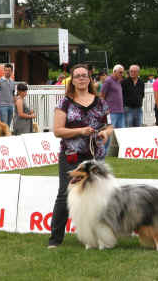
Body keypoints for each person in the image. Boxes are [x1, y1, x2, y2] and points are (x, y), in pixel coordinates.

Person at [48, 64, 113, 249]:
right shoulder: (65, 103)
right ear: (72, 80)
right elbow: (57, 131)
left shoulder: (101, 102)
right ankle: (55, 239)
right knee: (64, 195)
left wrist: (106, 134)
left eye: (85, 75)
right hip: (72, 156)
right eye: (77, 76)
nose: (82, 79)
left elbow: (109, 126)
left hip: (95, 157)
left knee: (97, 197)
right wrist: (81, 131)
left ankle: (97, 238)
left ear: (90, 79)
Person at [100, 64, 125, 155]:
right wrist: (104, 110)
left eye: (122, 72)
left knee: (121, 133)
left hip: (120, 111)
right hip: (111, 112)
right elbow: (102, 96)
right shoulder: (108, 81)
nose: (122, 74)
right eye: (120, 72)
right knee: (108, 133)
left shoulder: (118, 81)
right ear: (114, 71)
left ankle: (120, 153)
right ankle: (103, 152)